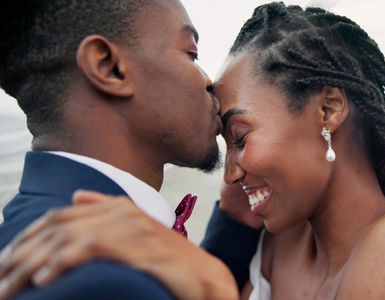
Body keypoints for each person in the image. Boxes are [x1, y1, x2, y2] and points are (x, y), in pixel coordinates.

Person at [1, 2, 385, 299]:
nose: (231, 173)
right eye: (191, 53)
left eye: (239, 137)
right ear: (109, 66)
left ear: (329, 109)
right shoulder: (94, 273)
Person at [0, 1, 261, 299]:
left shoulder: (30, 223)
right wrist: (216, 288)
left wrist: (234, 227)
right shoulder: (104, 280)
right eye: (191, 54)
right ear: (109, 67)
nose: (209, 82)